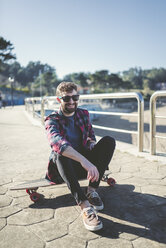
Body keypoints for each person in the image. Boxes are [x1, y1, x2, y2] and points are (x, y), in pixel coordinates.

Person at [45, 82, 115, 231]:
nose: (71, 101)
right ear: (59, 100)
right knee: (60, 153)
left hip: (84, 167)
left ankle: (91, 191)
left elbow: (90, 135)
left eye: (75, 97)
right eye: (66, 98)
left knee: (109, 141)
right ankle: (85, 207)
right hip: (63, 169)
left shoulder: (83, 114)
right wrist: (85, 161)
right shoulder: (52, 119)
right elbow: (57, 142)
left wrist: (91, 144)